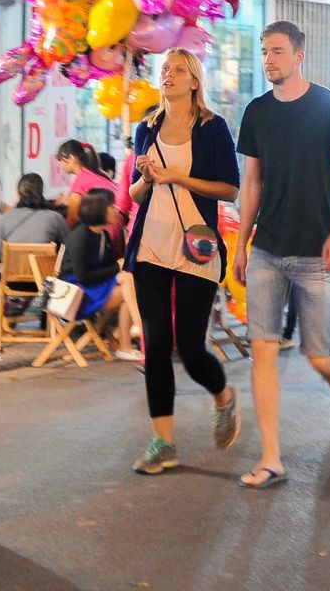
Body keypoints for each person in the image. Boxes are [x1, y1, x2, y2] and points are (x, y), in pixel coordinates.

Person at [232, 20, 330, 490]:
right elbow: (252, 183)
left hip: (316, 251)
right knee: (262, 352)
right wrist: (242, 242)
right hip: (267, 247)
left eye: (278, 51)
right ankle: (271, 458)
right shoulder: (256, 112)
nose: (269, 59)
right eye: (265, 52)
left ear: (299, 55)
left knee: (318, 355)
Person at [126, 47, 241, 477]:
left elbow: (229, 189)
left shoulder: (213, 128)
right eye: (164, 70)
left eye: (178, 70)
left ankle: (224, 396)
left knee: (190, 349)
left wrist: (176, 176)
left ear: (195, 81)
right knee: (155, 345)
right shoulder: (146, 127)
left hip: (197, 246)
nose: (168, 75)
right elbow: (136, 196)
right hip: (152, 246)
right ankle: (163, 442)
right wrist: (145, 177)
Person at [60, 188, 125, 337]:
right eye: (111, 206)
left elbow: (108, 267)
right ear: (98, 208)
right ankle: (135, 330)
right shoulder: (81, 236)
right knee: (130, 288)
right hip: (75, 295)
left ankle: (124, 341)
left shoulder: (103, 235)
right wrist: (117, 268)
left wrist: (119, 268)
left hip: (90, 288)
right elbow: (83, 277)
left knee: (129, 283)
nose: (116, 210)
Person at [0, 174, 69, 259]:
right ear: (41, 192)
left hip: (11, 272)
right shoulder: (55, 218)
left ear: (18, 193)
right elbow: (68, 249)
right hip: (44, 272)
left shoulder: (3, 220)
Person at [54, 139, 120, 229]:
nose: (61, 166)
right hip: (118, 225)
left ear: (72, 159)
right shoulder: (99, 173)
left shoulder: (80, 181)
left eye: (61, 161)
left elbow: (72, 219)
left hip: (107, 228)